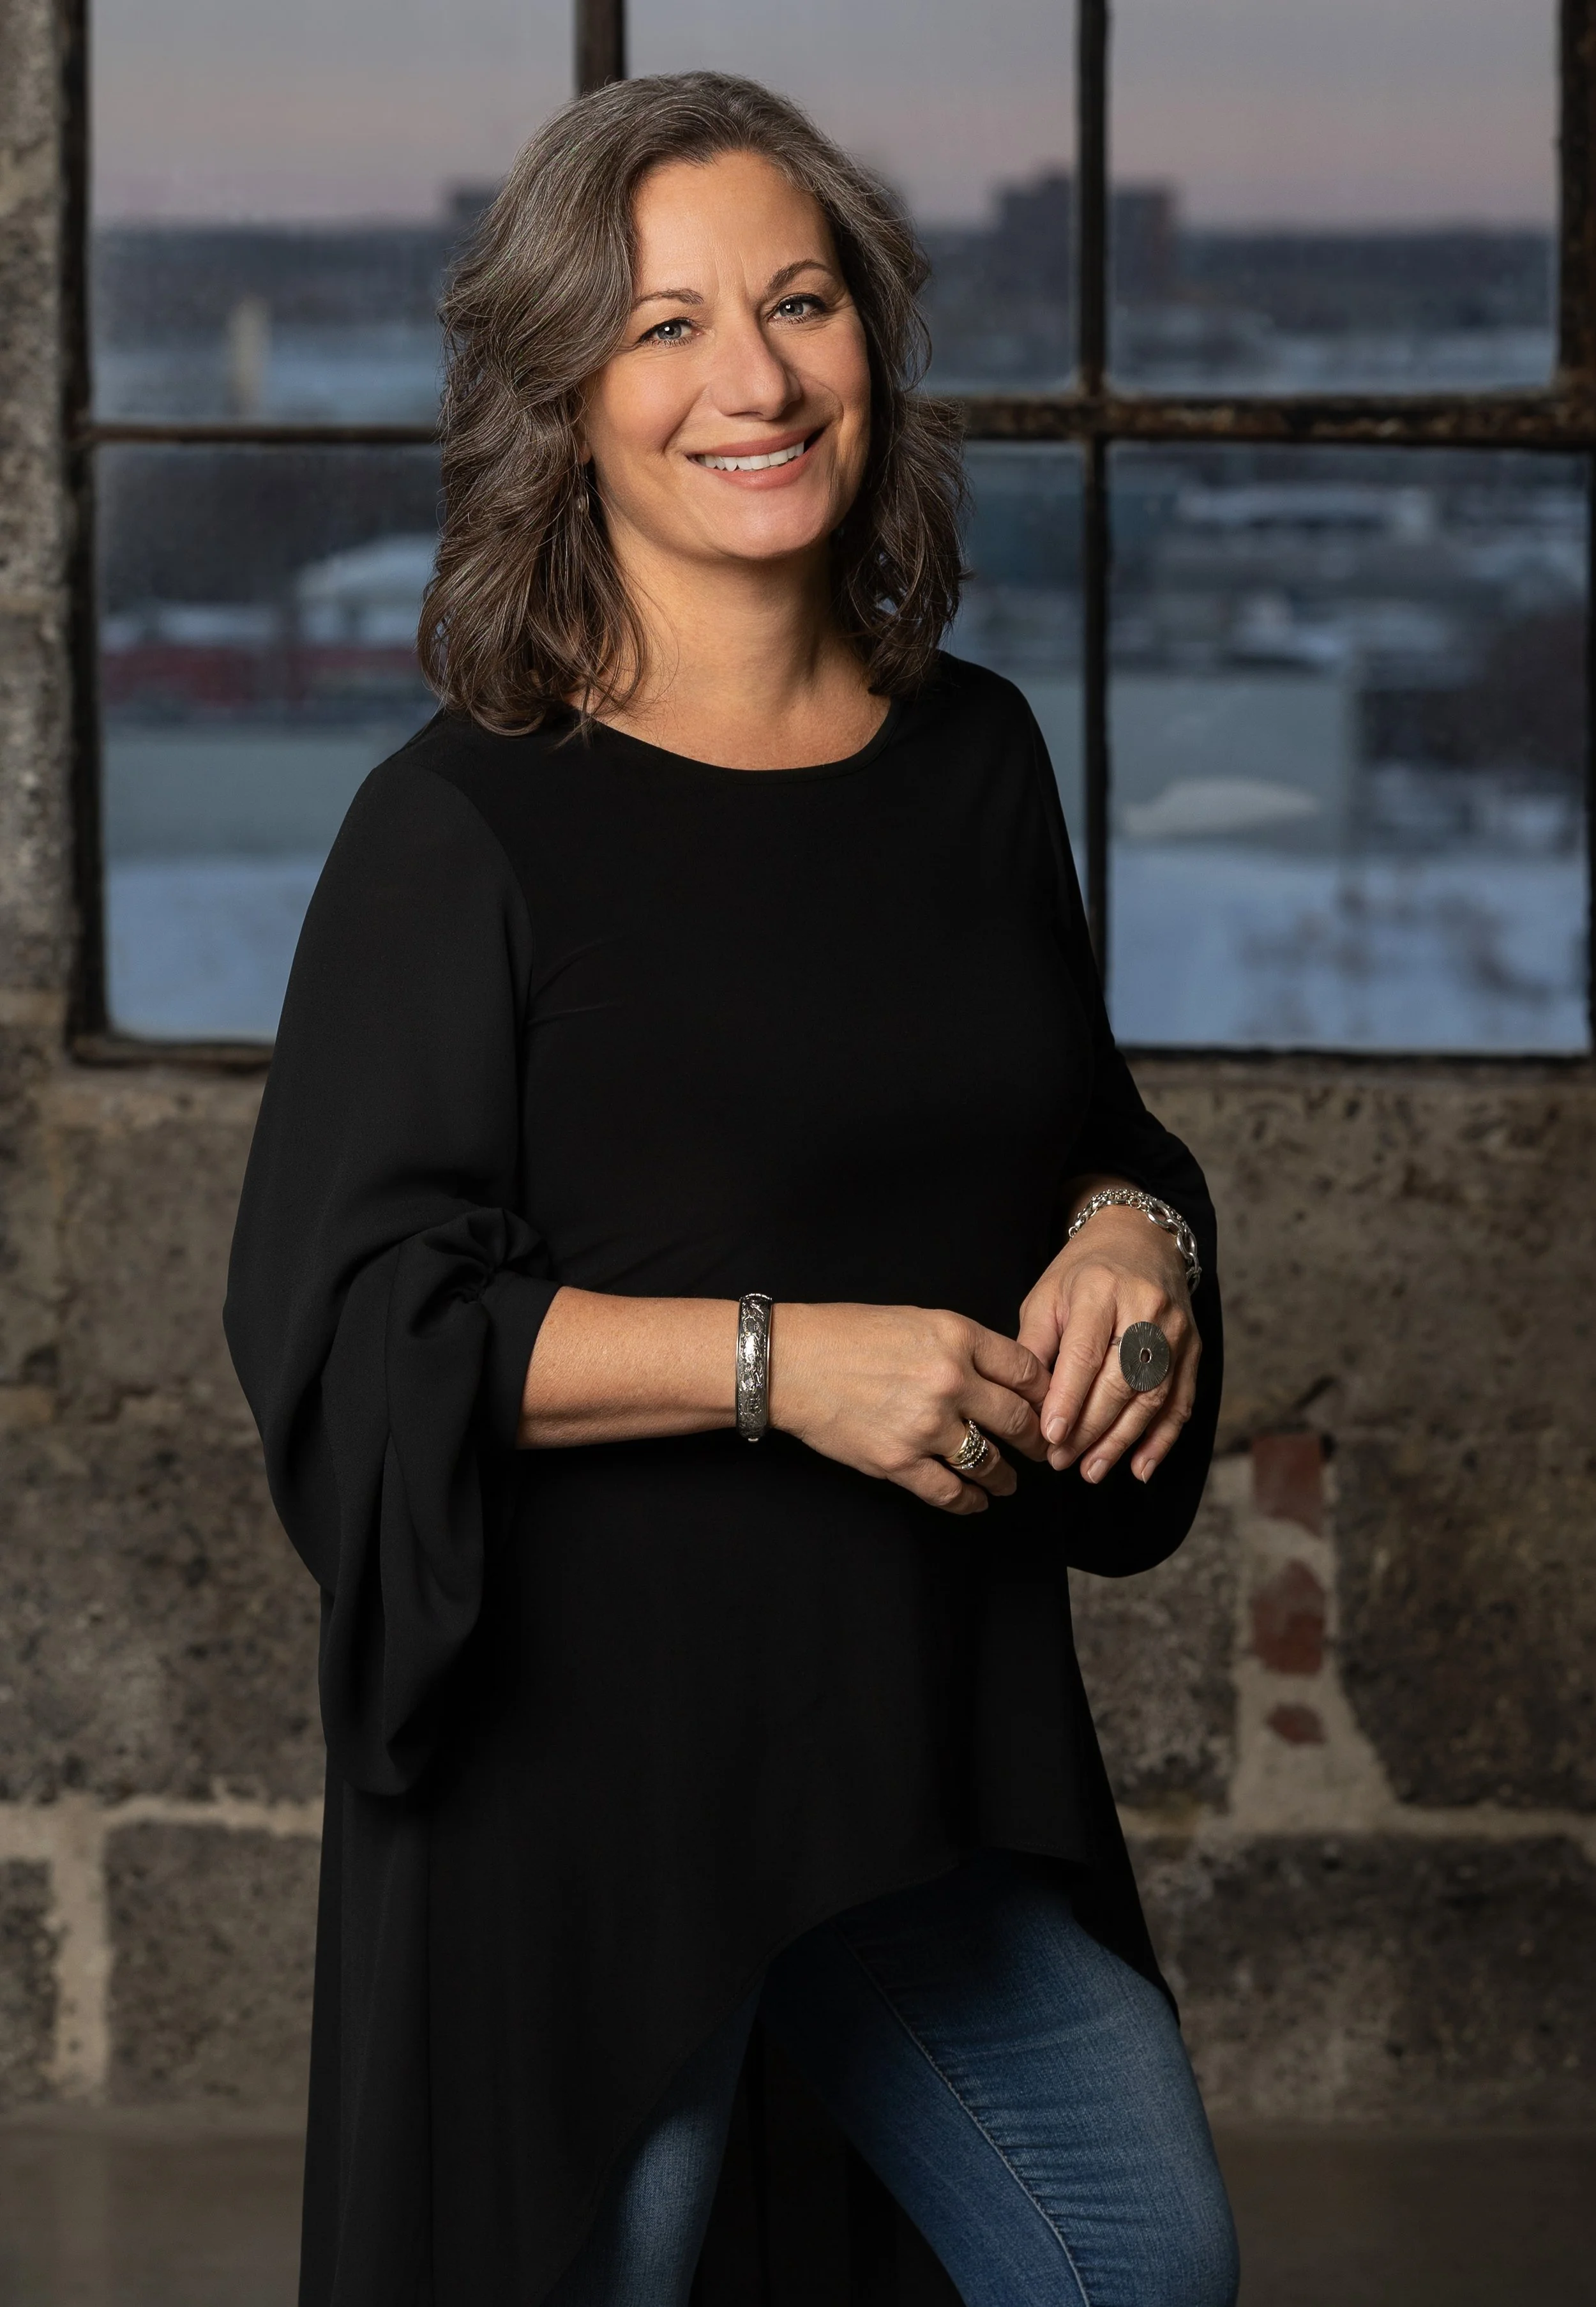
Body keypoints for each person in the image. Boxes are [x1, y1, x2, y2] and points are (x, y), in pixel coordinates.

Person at [225, 70, 1239, 2307]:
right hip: (587, 1791)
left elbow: (1081, 1122)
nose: (752, 379)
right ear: (559, 396)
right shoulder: (463, 824)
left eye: (797, 302)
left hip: (911, 1741)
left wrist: (1127, 1240)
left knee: (1131, 2261)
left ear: (872, 339)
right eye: (665, 324)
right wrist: (795, 1366)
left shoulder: (972, 758)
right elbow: (360, 1312)